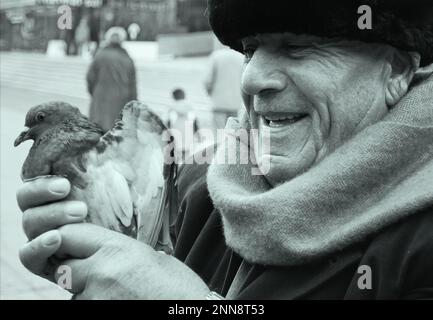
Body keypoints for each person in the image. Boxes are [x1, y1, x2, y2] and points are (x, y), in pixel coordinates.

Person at [16, 0, 433, 299]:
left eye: (297, 48)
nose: (251, 79)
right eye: (251, 50)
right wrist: (94, 251)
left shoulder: (421, 250)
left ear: (395, 71)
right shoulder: (198, 185)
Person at [86, 27, 137, 132]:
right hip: (121, 100)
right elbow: (133, 85)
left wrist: (95, 93)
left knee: (98, 130)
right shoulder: (127, 59)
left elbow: (90, 77)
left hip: (100, 99)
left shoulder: (100, 55)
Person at [204, 38, 245, 130]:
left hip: (218, 102)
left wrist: (210, 93)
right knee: (232, 132)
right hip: (235, 102)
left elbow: (207, 80)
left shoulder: (216, 56)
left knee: (219, 133)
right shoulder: (240, 56)